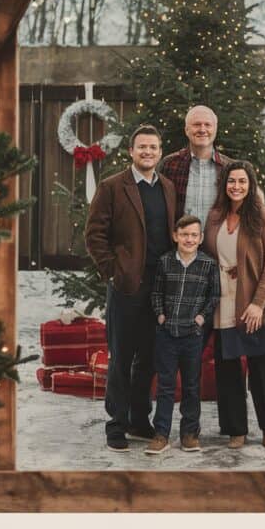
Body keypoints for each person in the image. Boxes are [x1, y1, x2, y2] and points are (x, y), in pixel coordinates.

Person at [84, 124, 176, 452]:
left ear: (160, 152)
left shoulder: (166, 187)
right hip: (126, 286)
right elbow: (94, 234)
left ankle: (140, 419)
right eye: (142, 147)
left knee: (149, 358)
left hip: (158, 287)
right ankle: (116, 424)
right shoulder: (112, 187)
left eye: (153, 147)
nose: (147, 152)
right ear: (131, 152)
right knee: (122, 358)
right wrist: (113, 271)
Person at [203, 159, 265, 450]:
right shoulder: (214, 217)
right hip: (222, 300)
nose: (237, 186)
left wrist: (258, 304)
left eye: (242, 182)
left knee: (261, 367)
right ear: (224, 185)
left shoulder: (262, 217)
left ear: (250, 185)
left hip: (250, 301)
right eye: (232, 181)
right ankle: (236, 429)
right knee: (228, 369)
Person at [145, 214, 220, 455]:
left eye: (194, 235)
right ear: (176, 236)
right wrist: (160, 315)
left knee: (191, 386)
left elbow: (214, 296)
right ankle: (161, 434)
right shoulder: (165, 262)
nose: (189, 239)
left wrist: (201, 318)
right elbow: (156, 292)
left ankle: (189, 433)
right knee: (166, 386)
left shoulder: (208, 264)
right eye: (184, 234)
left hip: (192, 335)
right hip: (167, 333)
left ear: (200, 239)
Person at [160, 105, 231, 224]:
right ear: (186, 130)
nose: (202, 129)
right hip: (179, 241)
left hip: (217, 242)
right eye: (196, 124)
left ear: (215, 129)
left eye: (208, 125)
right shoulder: (169, 164)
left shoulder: (229, 168)